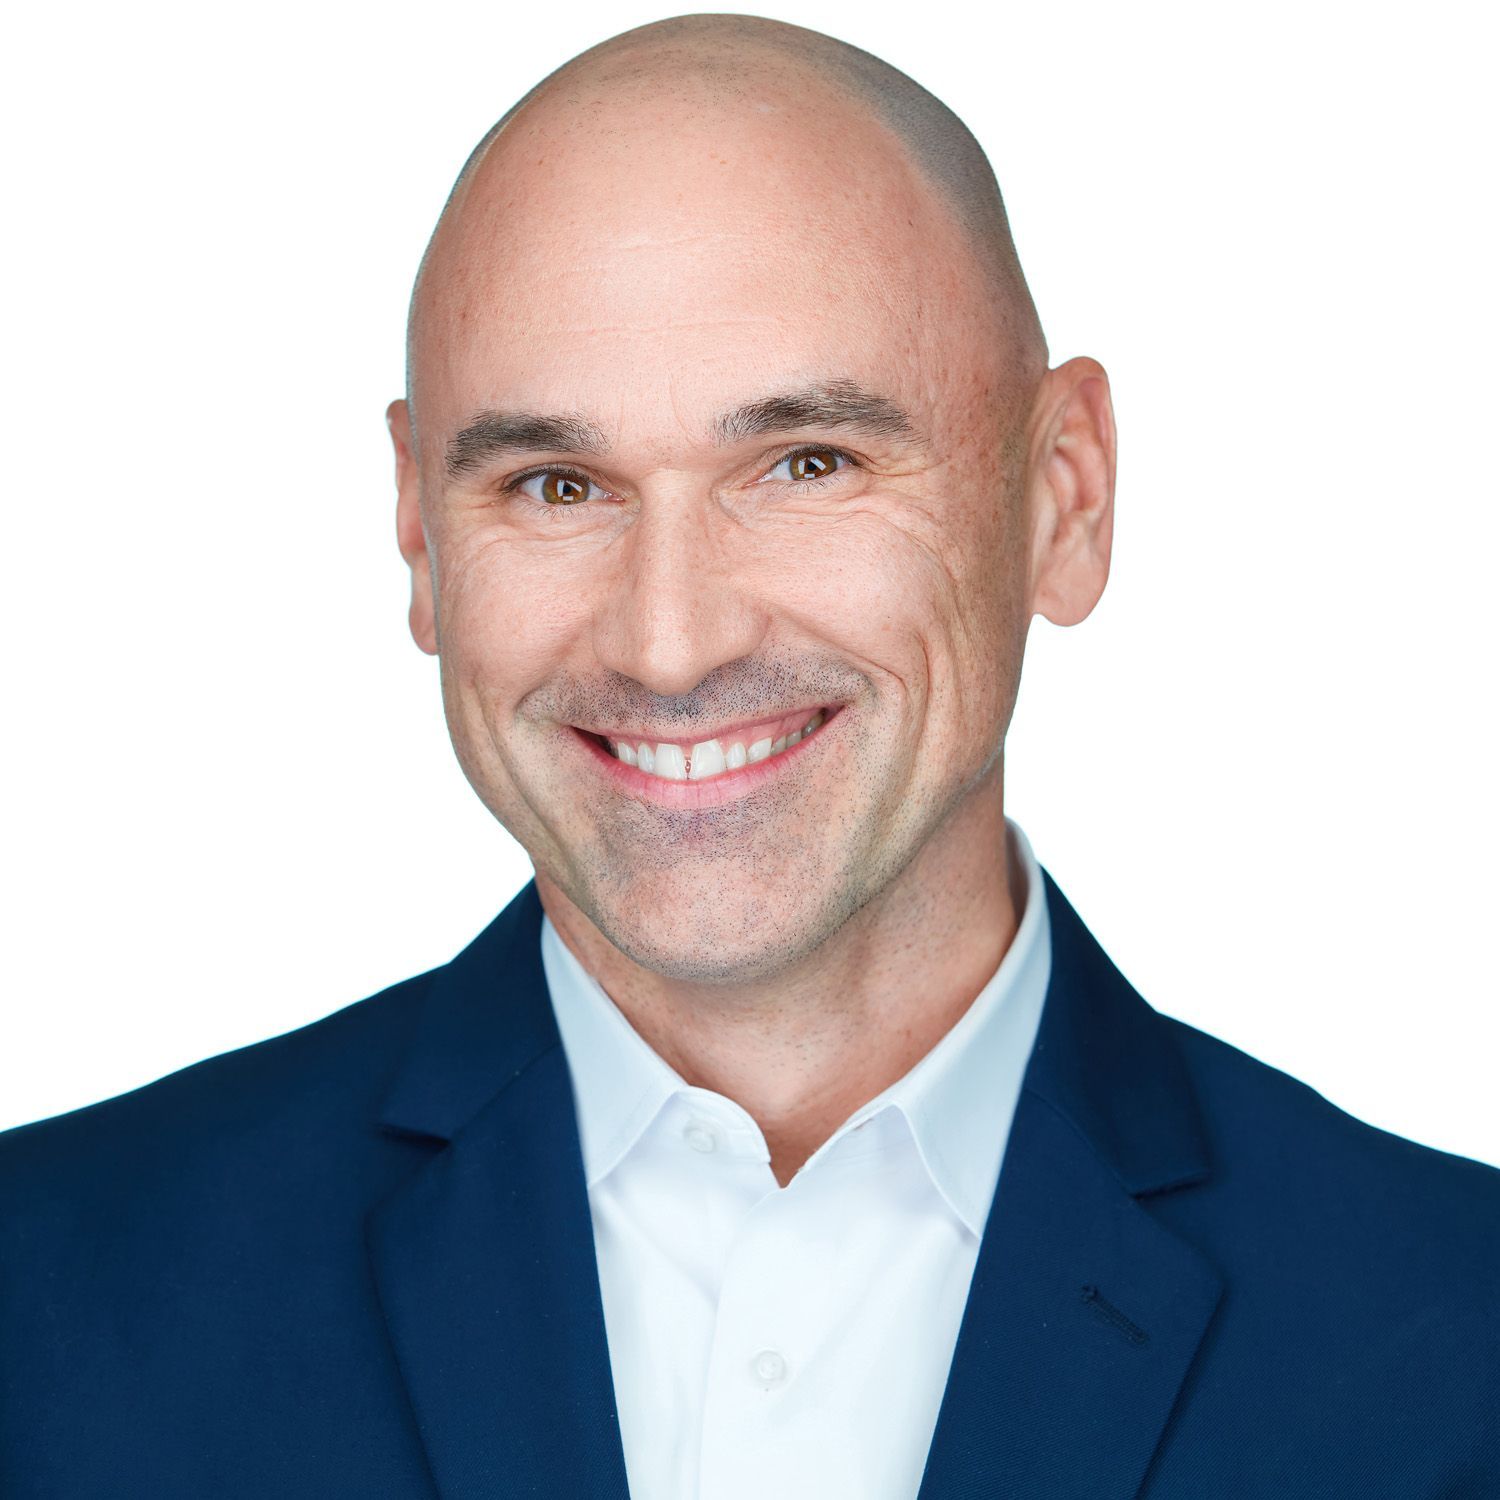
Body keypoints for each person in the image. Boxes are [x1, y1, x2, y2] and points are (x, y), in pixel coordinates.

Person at [1, 12, 1496, 1497]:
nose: (668, 643)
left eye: (805, 463)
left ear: (1063, 496)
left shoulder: (1453, 1351)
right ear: (418, 535)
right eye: (558, 482)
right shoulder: (46, 1312)